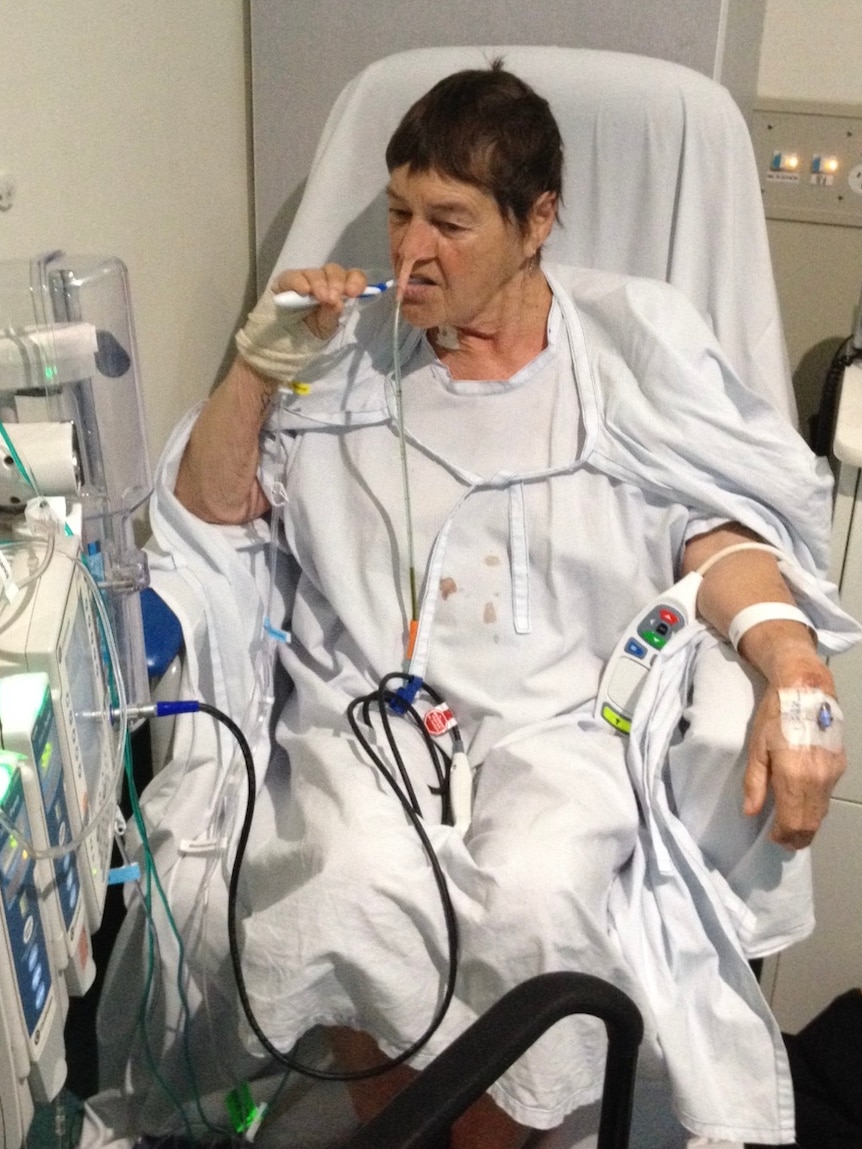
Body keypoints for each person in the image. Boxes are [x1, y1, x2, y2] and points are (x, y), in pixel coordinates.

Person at [163, 63, 857, 1149]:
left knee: (542, 893)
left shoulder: (632, 348)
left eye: (449, 221)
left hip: (564, 724)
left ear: (538, 222)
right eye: (397, 213)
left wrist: (792, 668)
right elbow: (209, 509)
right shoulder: (344, 360)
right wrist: (258, 365)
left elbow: (716, 534)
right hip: (370, 720)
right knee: (348, 878)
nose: (408, 251)